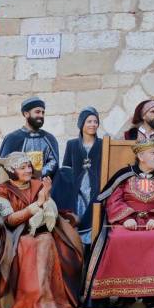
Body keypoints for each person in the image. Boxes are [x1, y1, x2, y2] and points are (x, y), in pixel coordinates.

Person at [0, 152, 83, 308]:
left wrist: (47, 198)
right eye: (23, 168)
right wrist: (37, 204)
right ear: (12, 171)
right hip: (14, 233)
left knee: (47, 241)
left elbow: (49, 210)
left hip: (43, 229)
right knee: (29, 243)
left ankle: (48, 303)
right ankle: (33, 305)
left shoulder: (38, 184)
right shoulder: (2, 191)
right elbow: (10, 220)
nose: (29, 170)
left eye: (29, 166)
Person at [83, 140, 154, 308]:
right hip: (126, 222)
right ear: (140, 156)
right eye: (153, 152)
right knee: (117, 238)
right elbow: (112, 200)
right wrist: (125, 218)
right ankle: (124, 296)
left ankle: (152, 297)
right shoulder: (125, 175)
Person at [53, 106, 102, 255]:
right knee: (78, 217)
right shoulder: (72, 144)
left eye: (95, 121)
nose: (93, 124)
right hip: (77, 189)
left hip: (96, 187)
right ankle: (78, 252)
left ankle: (91, 255)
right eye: (89, 121)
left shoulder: (102, 144)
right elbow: (66, 168)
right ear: (82, 124)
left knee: (93, 217)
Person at [0, 96, 60, 178]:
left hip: (44, 187)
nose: (41, 115)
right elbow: (5, 166)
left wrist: (40, 174)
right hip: (18, 188)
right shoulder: (12, 138)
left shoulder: (50, 138)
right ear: (26, 114)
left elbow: (53, 162)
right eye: (37, 112)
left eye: (43, 112)